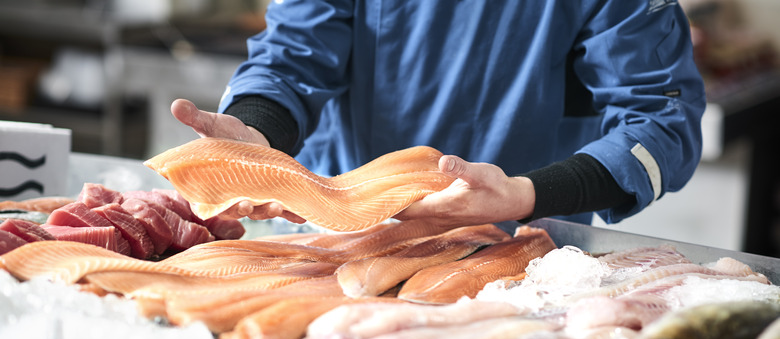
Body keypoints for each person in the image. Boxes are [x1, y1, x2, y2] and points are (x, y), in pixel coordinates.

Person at [171, 1, 706, 230]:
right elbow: (291, 58)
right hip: (335, 244)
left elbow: (661, 120)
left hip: (523, 261)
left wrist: (526, 195)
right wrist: (256, 129)